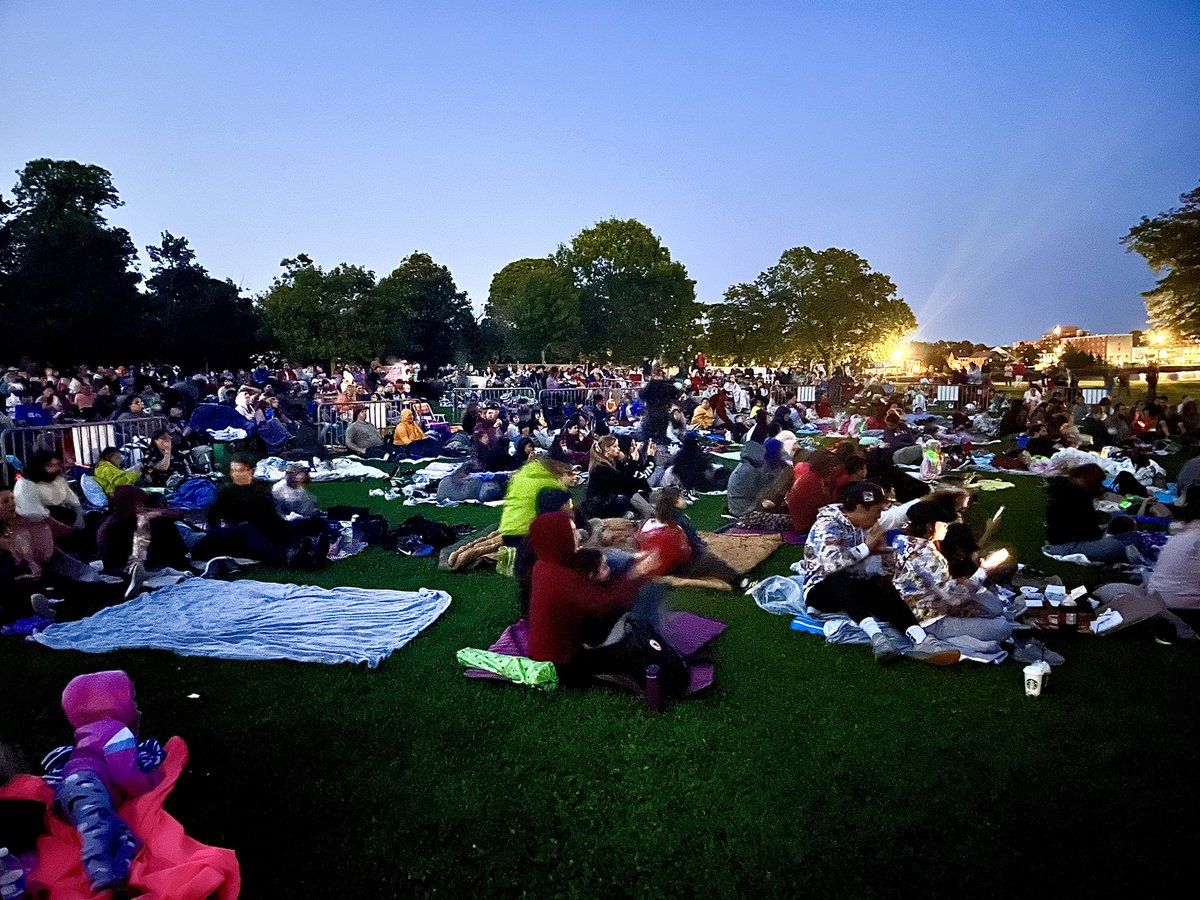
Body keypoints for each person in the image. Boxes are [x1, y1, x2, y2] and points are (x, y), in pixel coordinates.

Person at [798, 481, 961, 665]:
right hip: (820, 590)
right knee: (840, 579)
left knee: (881, 585)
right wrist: (867, 547)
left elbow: (895, 517)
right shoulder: (828, 525)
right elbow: (831, 563)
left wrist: (879, 553)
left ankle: (920, 639)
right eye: (876, 510)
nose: (879, 516)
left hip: (853, 583)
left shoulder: (862, 521)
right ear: (861, 507)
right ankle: (878, 639)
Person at [526, 506, 643, 677]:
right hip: (561, 663)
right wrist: (637, 574)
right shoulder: (560, 577)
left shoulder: (543, 564)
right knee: (635, 651)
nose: (578, 535)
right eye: (572, 531)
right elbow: (606, 603)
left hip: (548, 650)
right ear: (558, 539)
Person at [890, 501, 1012, 644]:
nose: (946, 527)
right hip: (932, 620)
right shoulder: (927, 556)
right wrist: (983, 571)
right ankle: (952, 638)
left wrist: (961, 581)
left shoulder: (901, 541)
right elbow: (953, 598)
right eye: (943, 524)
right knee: (1003, 627)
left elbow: (936, 583)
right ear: (930, 527)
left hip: (930, 602)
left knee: (993, 605)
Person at [640, 487, 745, 588]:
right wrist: (704, 548)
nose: (684, 500)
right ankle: (740, 582)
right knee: (710, 560)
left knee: (719, 535)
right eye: (680, 498)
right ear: (674, 503)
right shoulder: (678, 521)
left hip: (657, 563)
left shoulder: (651, 520)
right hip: (676, 565)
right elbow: (693, 543)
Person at [1044, 463, 1140, 563]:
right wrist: (1105, 531)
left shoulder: (1076, 493)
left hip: (1075, 538)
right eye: (1098, 483)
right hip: (1067, 544)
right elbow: (1085, 529)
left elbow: (1087, 520)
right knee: (1117, 547)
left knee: (1124, 534)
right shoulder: (1069, 496)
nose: (1100, 487)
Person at [581, 435, 652, 520]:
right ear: (607, 449)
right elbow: (625, 482)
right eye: (615, 446)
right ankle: (652, 516)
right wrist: (631, 461)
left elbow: (633, 479)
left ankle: (651, 515)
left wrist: (624, 460)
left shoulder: (612, 464)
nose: (618, 448)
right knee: (631, 495)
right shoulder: (600, 469)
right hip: (601, 508)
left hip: (611, 502)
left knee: (637, 494)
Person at [786, 449, 842, 533]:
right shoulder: (813, 481)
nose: (832, 470)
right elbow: (825, 505)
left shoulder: (811, 476)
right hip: (805, 526)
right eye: (830, 467)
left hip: (802, 521)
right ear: (823, 466)